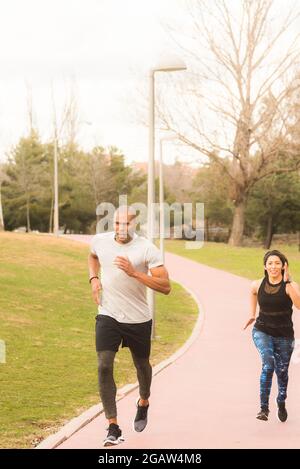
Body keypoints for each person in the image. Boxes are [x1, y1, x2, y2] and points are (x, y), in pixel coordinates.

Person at [88, 205, 171, 446]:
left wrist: (135, 273)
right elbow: (93, 256)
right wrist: (94, 279)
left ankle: (143, 400)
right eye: (117, 223)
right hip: (108, 314)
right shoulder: (100, 241)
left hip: (138, 319)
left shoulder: (146, 248)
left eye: (126, 224)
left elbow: (165, 286)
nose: (121, 228)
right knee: (104, 366)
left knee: (142, 365)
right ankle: (113, 425)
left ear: (135, 225)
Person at [244, 250, 300, 422]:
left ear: (284, 266)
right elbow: (252, 293)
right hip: (262, 331)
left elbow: (299, 305)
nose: (273, 266)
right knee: (268, 364)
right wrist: (252, 314)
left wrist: (289, 281)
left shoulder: (291, 285)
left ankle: (281, 401)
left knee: (282, 372)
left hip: (284, 335)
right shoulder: (257, 284)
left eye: (277, 263)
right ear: (265, 266)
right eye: (270, 263)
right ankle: (264, 409)